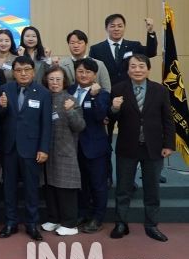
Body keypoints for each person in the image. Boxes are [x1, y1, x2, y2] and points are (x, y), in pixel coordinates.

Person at [109, 54, 175, 242]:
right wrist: (114, 108)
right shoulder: (118, 89)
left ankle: (151, 225)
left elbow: (168, 119)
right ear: (128, 70)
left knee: (152, 189)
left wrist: (169, 144)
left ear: (148, 69)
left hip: (153, 147)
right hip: (127, 146)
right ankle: (121, 223)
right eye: (133, 66)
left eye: (141, 66)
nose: (137, 70)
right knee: (123, 189)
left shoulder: (160, 90)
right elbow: (110, 119)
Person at [0, 55, 52, 241]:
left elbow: (46, 124)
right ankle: (10, 222)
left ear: (33, 72)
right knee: (9, 188)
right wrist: (2, 108)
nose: (23, 73)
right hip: (9, 147)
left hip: (32, 148)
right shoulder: (4, 89)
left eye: (27, 70)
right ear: (13, 73)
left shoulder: (43, 93)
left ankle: (31, 224)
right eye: (19, 70)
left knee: (31, 188)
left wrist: (44, 148)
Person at [40, 66, 86, 236]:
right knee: (50, 187)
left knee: (65, 187)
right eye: (51, 79)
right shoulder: (44, 98)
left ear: (64, 81)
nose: (54, 83)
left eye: (58, 79)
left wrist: (71, 111)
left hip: (65, 150)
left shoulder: (70, 100)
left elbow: (80, 126)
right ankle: (54, 219)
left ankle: (69, 223)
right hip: (47, 151)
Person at [69, 58, 111, 234]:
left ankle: (98, 217)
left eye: (88, 72)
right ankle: (83, 213)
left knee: (98, 184)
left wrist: (93, 96)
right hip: (73, 147)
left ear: (94, 75)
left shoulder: (102, 94)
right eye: (80, 71)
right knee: (81, 184)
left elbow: (100, 116)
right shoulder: (69, 90)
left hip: (95, 147)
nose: (83, 75)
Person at [88, 14, 157, 87]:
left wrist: (150, 31)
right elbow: (91, 70)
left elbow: (151, 52)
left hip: (129, 89)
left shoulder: (134, 45)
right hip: (107, 89)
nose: (116, 29)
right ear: (106, 28)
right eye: (112, 26)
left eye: (120, 26)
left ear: (124, 28)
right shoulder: (96, 49)